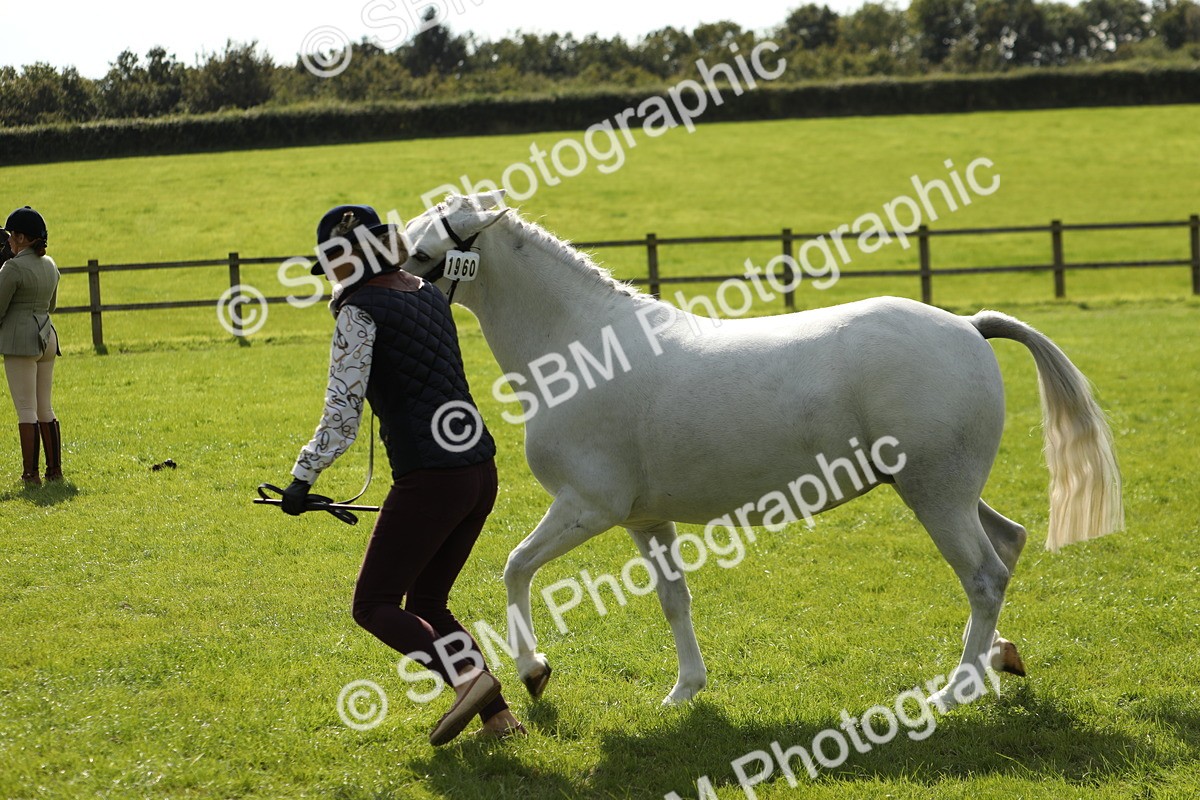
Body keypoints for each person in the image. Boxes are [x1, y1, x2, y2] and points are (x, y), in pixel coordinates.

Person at [280, 205, 525, 746]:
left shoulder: (359, 311)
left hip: (431, 477)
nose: (334, 276)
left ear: (356, 258)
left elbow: (342, 415)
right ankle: (500, 718)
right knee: (430, 604)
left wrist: (301, 480)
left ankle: (469, 679)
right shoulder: (428, 292)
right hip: (479, 470)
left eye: (336, 263)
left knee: (373, 605)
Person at [0, 207, 62, 485]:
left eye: (12, 236)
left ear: (23, 238)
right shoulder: (50, 264)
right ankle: (54, 471)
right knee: (44, 407)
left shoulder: (12, 267)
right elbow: (52, 306)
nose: (9, 241)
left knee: (26, 409)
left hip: (21, 341)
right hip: (47, 337)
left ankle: (31, 474)